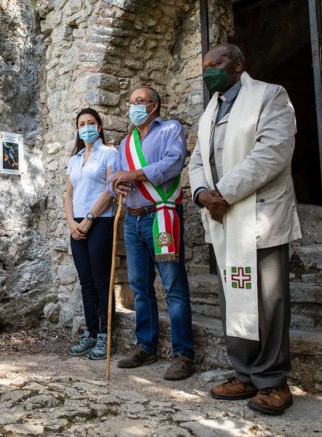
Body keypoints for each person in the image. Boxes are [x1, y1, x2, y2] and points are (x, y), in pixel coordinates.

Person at [188, 43, 301, 415]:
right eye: (205, 65)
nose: (208, 70)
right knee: (233, 297)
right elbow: (197, 160)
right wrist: (202, 193)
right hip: (222, 217)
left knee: (268, 302)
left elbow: (272, 151)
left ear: (238, 64)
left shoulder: (270, 96)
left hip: (259, 215)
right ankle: (244, 373)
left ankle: (273, 382)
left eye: (216, 63)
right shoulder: (210, 112)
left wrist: (223, 193)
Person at [110, 86, 195, 381]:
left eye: (140, 101)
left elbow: (172, 164)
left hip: (161, 215)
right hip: (132, 220)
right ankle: (145, 347)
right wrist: (116, 184)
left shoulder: (170, 129)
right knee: (139, 286)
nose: (133, 106)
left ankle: (183, 354)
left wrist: (132, 175)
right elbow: (115, 176)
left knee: (173, 286)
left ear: (154, 105)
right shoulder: (126, 142)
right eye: (130, 102)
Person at [65, 108, 119, 360]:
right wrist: (71, 223)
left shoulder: (109, 153)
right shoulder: (74, 159)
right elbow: (68, 195)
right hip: (76, 225)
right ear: (77, 129)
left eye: (90, 123)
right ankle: (91, 333)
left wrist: (88, 219)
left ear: (99, 127)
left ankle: (106, 337)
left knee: (101, 281)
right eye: (81, 124)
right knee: (86, 282)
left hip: (100, 222)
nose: (85, 127)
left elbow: (110, 191)